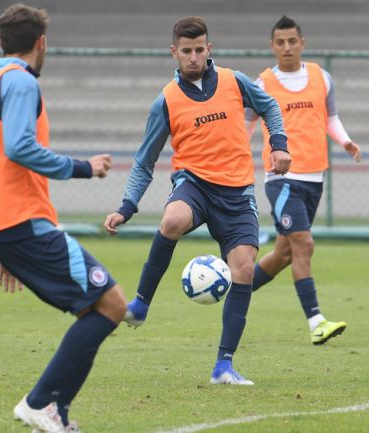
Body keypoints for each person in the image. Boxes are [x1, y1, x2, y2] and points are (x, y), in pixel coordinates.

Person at [103, 16, 291, 386]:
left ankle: (224, 366)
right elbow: (144, 161)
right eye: (186, 51)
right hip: (195, 185)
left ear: (209, 49)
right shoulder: (166, 101)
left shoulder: (234, 81)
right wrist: (126, 207)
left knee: (242, 269)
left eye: (199, 49)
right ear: (174, 52)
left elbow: (270, 107)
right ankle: (140, 305)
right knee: (172, 219)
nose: (193, 57)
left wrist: (280, 144)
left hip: (237, 193)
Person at [0, 4, 126, 432]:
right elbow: (18, 148)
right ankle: (40, 403)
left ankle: (58, 413)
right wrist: (84, 167)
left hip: (3, 225)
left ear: (1, 42)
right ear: (42, 43)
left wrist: (0, 239)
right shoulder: (20, 82)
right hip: (22, 221)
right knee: (111, 305)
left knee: (93, 310)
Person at [246, 15, 362, 345]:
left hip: (314, 177)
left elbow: (331, 117)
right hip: (282, 179)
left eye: (291, 41)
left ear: (302, 43)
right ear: (272, 46)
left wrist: (346, 141)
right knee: (304, 245)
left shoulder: (321, 77)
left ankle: (236, 287)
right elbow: (246, 124)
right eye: (280, 42)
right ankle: (316, 322)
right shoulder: (263, 84)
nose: (286, 47)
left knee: (284, 254)